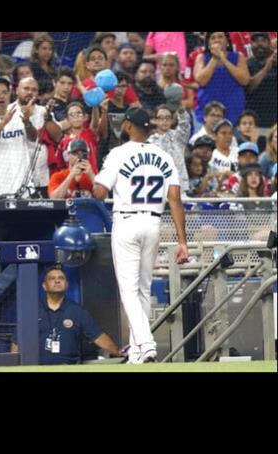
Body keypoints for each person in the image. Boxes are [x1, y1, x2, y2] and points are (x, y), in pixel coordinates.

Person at [92, 107, 189, 364]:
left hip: (127, 220)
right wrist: (182, 242)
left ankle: (146, 344)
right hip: (154, 222)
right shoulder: (163, 156)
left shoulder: (118, 153)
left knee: (129, 289)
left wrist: (90, 176)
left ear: (127, 126)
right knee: (144, 288)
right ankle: (137, 351)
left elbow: (99, 193)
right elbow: (176, 201)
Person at [10, 265, 123, 365]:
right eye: (52, 279)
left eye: (61, 278)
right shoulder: (31, 311)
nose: (57, 281)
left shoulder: (77, 311)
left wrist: (119, 353)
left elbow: (99, 337)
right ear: (44, 286)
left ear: (67, 285)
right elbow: (17, 343)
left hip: (68, 367)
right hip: (38, 367)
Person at [193, 32, 250, 127]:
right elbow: (201, 81)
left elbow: (244, 80)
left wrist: (224, 59)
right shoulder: (201, 58)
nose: (217, 40)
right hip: (206, 115)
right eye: (213, 38)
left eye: (220, 37)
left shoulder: (238, 57)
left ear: (227, 40)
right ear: (208, 43)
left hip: (233, 113)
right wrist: (215, 58)